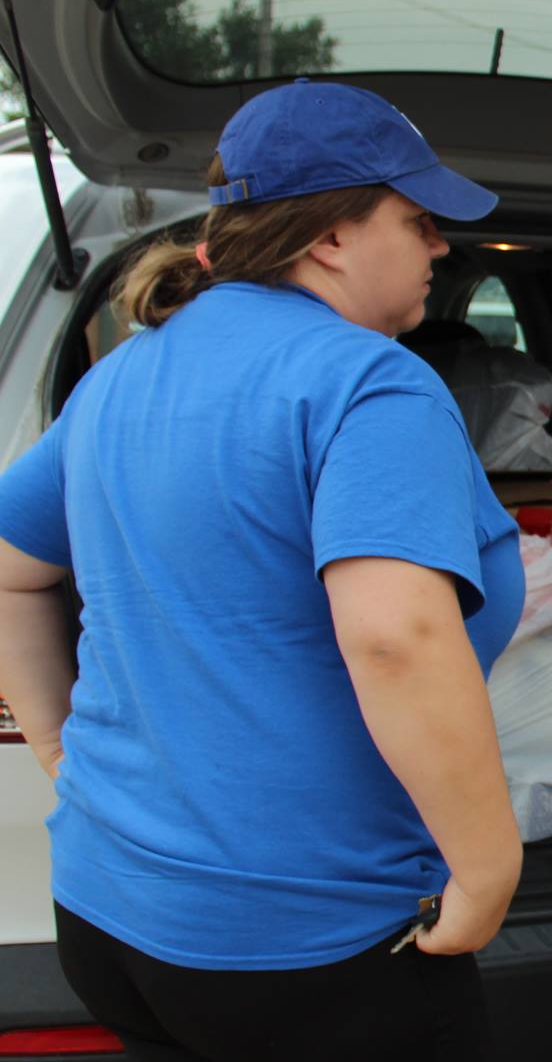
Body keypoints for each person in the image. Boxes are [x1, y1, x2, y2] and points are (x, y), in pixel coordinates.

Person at [0, 80, 524, 1061]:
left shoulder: (123, 373)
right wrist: (488, 863)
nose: (440, 246)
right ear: (330, 237)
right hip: (304, 944)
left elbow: (10, 570)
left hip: (109, 907)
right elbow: (394, 634)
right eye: (417, 220)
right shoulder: (370, 380)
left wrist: (63, 752)